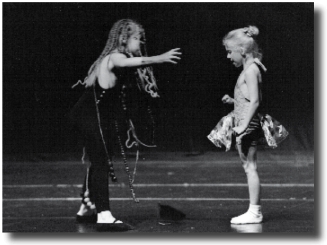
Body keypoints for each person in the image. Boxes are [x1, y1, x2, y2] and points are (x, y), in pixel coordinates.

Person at [69, 19, 181, 231]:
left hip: (88, 115)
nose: (140, 43)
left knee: (97, 160)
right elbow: (127, 63)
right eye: (136, 38)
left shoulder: (109, 58)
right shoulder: (114, 57)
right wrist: (159, 58)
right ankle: (104, 215)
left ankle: (87, 207)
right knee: (101, 161)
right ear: (123, 39)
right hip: (89, 116)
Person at [221, 25, 267, 224]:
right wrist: (233, 100)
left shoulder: (250, 70)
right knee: (249, 167)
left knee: (250, 167)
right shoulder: (251, 68)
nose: (228, 57)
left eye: (230, 52)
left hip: (246, 125)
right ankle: (254, 210)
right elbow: (249, 98)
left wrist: (243, 126)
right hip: (244, 122)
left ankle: (255, 211)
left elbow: (256, 101)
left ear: (241, 50)